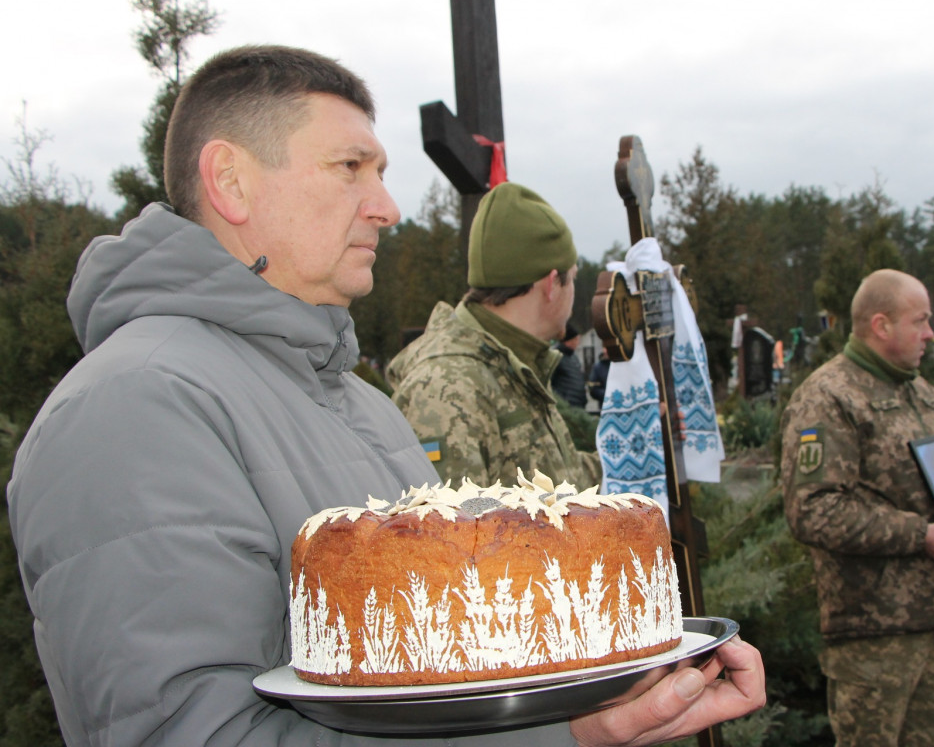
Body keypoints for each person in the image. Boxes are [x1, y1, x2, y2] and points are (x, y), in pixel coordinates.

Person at [7, 45, 764, 746]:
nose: (388, 206)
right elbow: (192, 734)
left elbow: (446, 660)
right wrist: (569, 738)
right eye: (350, 167)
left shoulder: (360, 405)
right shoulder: (131, 410)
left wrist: (611, 690)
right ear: (231, 181)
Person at [780, 269, 934, 747]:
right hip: (875, 634)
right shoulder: (828, 397)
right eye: (920, 321)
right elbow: (813, 509)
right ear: (882, 326)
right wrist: (921, 535)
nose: (931, 334)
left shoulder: (918, 391)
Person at [388, 182, 603, 488]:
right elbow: (448, 531)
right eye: (574, 280)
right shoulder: (448, 387)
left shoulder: (512, 364)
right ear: (552, 284)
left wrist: (640, 444)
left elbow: (560, 484)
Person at [551, 322, 587, 408]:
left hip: (579, 405)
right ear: (569, 341)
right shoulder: (555, 356)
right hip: (565, 406)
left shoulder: (574, 357)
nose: (578, 342)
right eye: (576, 339)